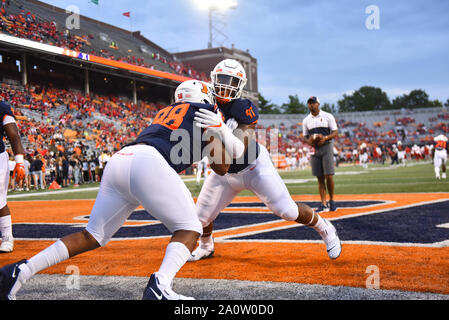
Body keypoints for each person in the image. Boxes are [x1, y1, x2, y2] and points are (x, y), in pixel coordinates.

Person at [0, 79, 233, 300]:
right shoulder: (206, 113)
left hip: (121, 158)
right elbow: (222, 167)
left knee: (91, 235)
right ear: (204, 97)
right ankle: (161, 285)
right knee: (190, 228)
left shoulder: (165, 113)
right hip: (149, 163)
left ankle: (20, 271)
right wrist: (220, 132)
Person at [188, 59, 341, 262]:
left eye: (231, 81)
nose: (225, 86)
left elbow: (238, 149)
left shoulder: (243, 107)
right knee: (200, 219)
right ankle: (206, 246)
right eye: (222, 79)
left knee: (287, 211)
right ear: (213, 80)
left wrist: (220, 127)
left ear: (240, 86)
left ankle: (325, 227)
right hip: (223, 173)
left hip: (254, 167)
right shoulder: (204, 104)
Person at [302, 96, 339, 213]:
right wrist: (310, 142)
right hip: (315, 148)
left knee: (329, 175)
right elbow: (305, 136)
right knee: (319, 177)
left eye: (313, 103)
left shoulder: (328, 116)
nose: (311, 105)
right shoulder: (306, 120)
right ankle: (323, 203)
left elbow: (335, 132)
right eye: (309, 103)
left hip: (327, 145)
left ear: (318, 104)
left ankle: (332, 200)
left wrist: (325, 137)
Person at [0, 101, 26, 253]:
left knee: (0, 200)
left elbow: (13, 134)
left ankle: (7, 236)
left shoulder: (2, 107)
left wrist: (20, 162)